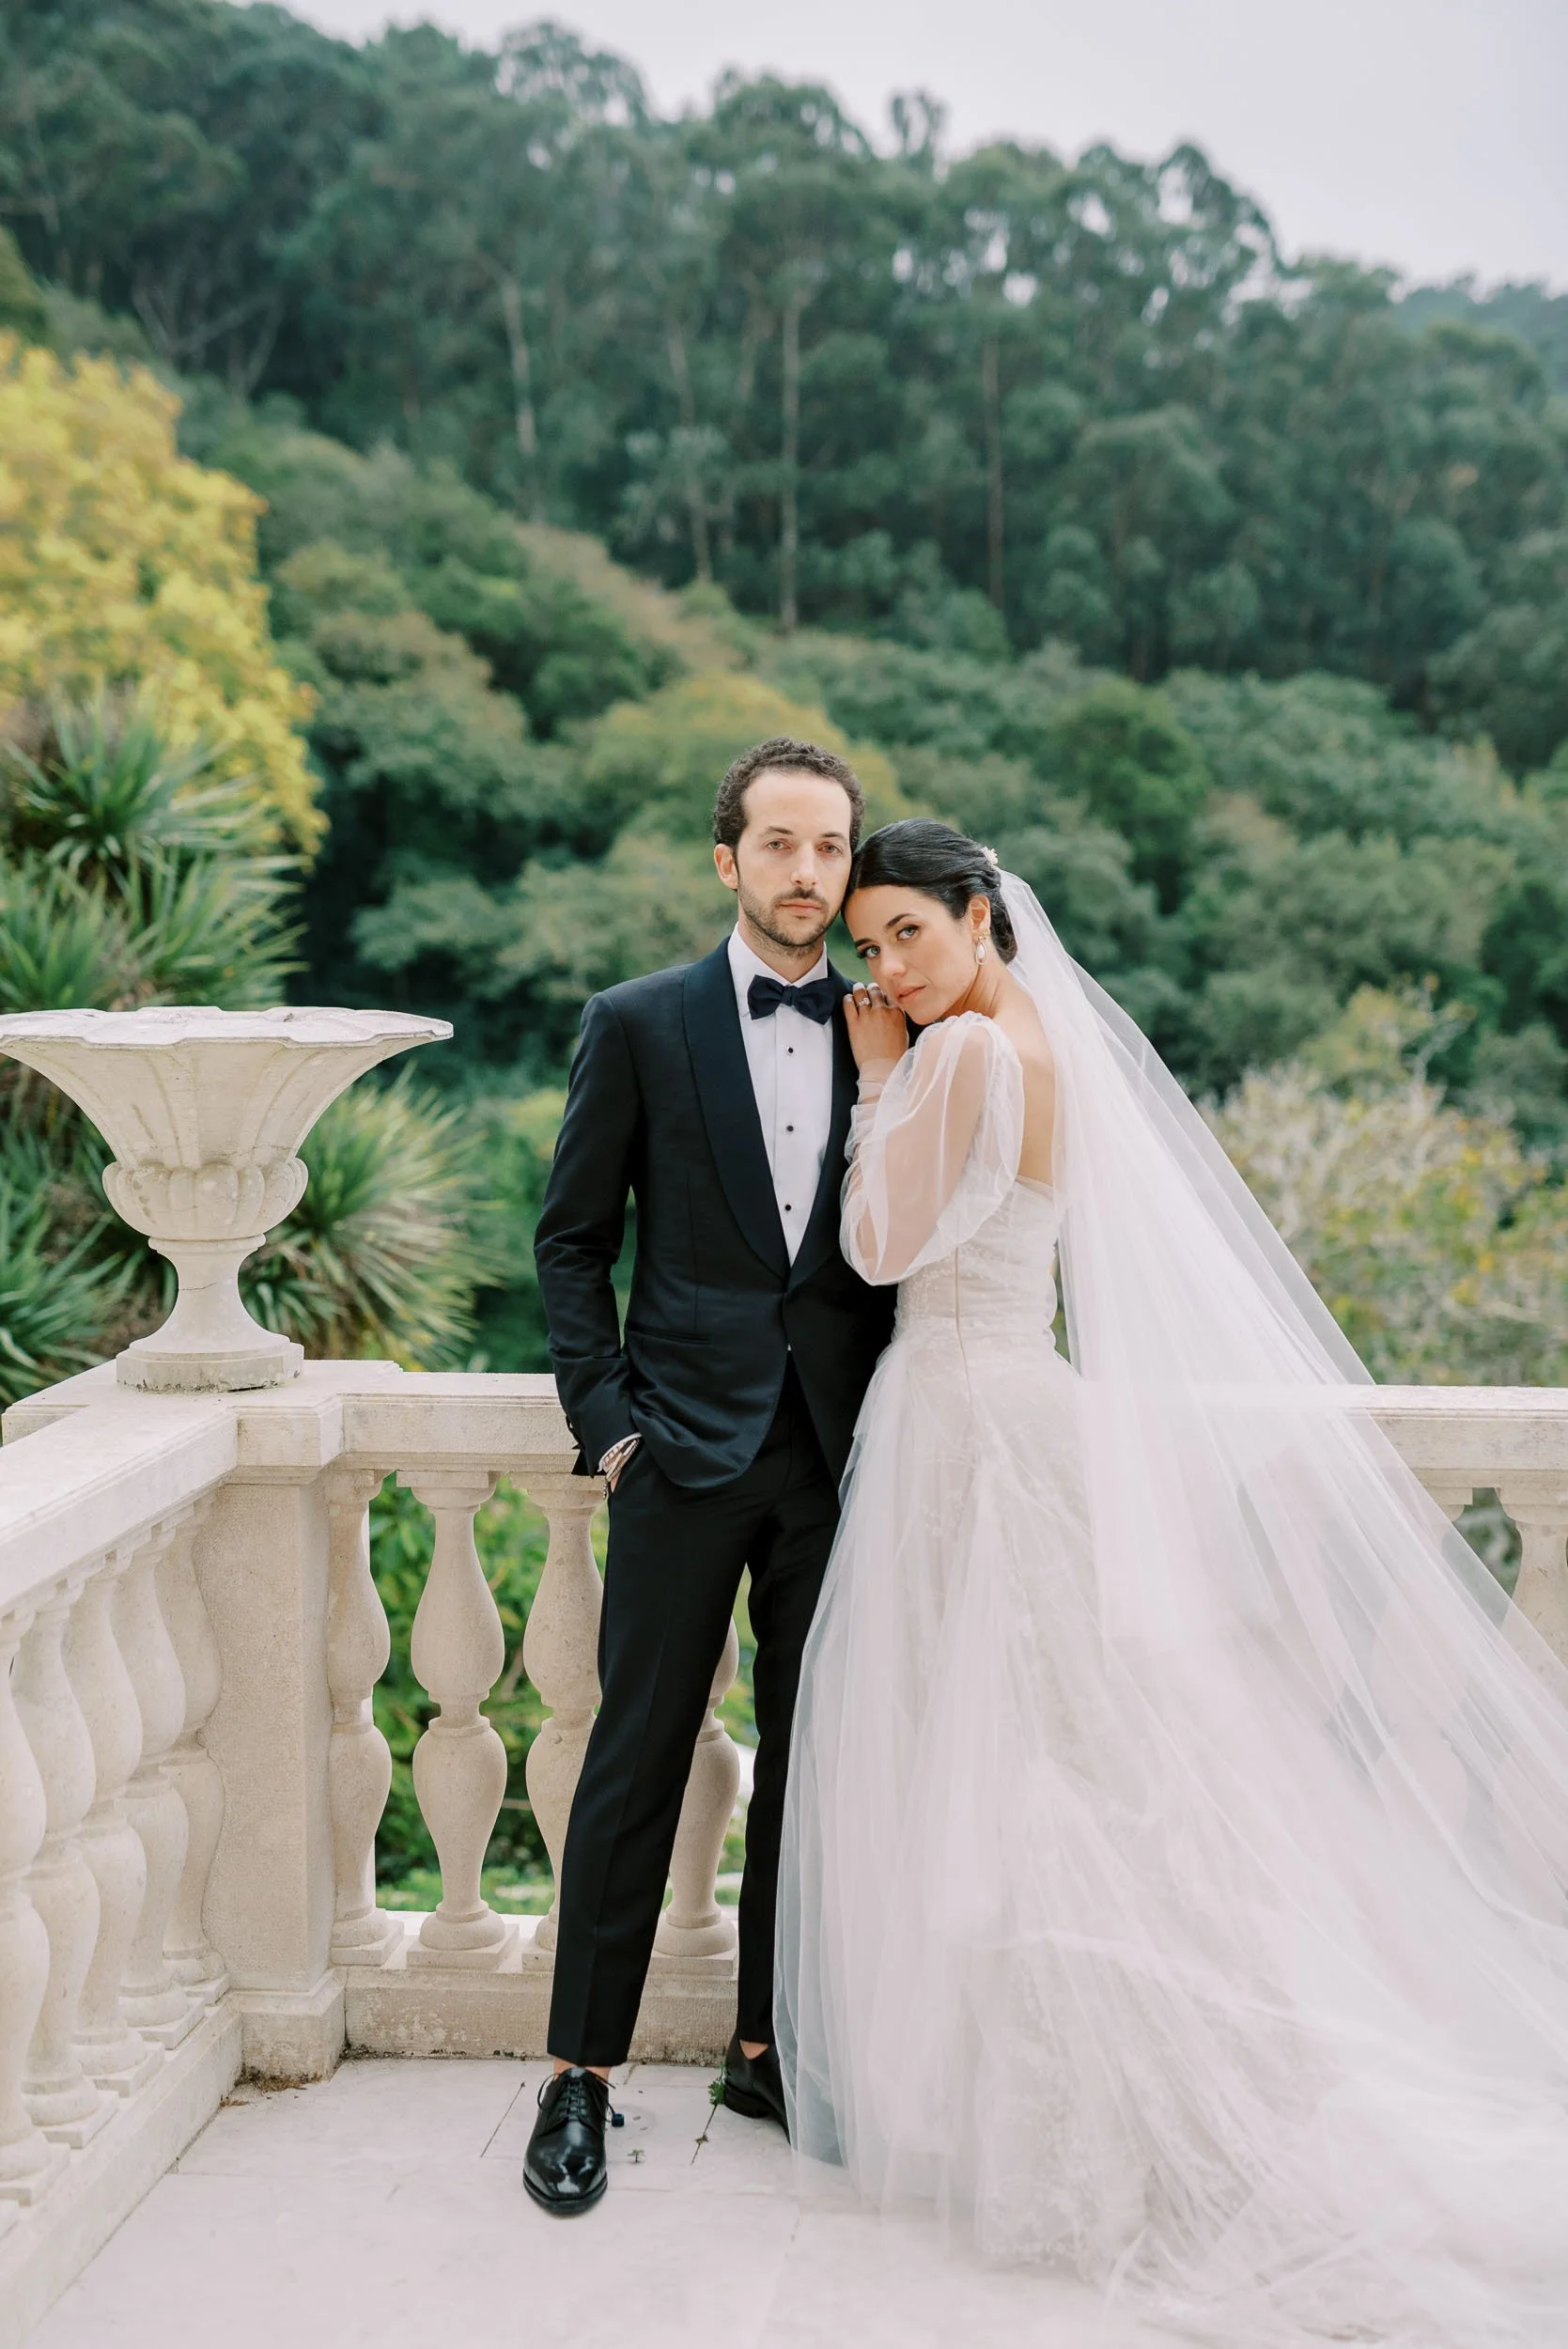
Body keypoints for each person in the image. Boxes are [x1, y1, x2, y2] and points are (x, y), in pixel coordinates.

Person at [777, 817, 1568, 2347]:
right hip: (1025, 1400)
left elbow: (877, 1250)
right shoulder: (1054, 1060)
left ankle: (1070, 2123)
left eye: (907, 938)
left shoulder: (957, 1063)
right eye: (869, 948)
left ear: (980, 915)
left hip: (960, 1420)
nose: (886, 969)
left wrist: (875, 1076)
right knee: (1068, 1765)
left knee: (998, 1769)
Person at [523, 737, 896, 2215]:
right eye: (782, 845)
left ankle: (768, 2043)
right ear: (727, 857)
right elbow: (570, 1241)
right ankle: (579, 2079)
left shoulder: (904, 1028)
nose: (810, 874)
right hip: (675, 1454)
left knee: (815, 1770)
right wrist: (609, 1425)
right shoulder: (638, 1023)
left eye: (832, 850)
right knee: (635, 1763)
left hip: (841, 1463)